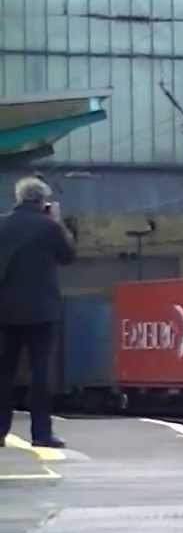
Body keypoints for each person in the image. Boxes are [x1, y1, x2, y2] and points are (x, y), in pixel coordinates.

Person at [0, 176, 76, 448]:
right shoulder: (49, 227)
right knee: (41, 372)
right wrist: (57, 221)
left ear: (19, 198)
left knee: (4, 372)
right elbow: (68, 257)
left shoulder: (2, 224)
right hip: (42, 311)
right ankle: (41, 434)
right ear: (43, 200)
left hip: (5, 311)